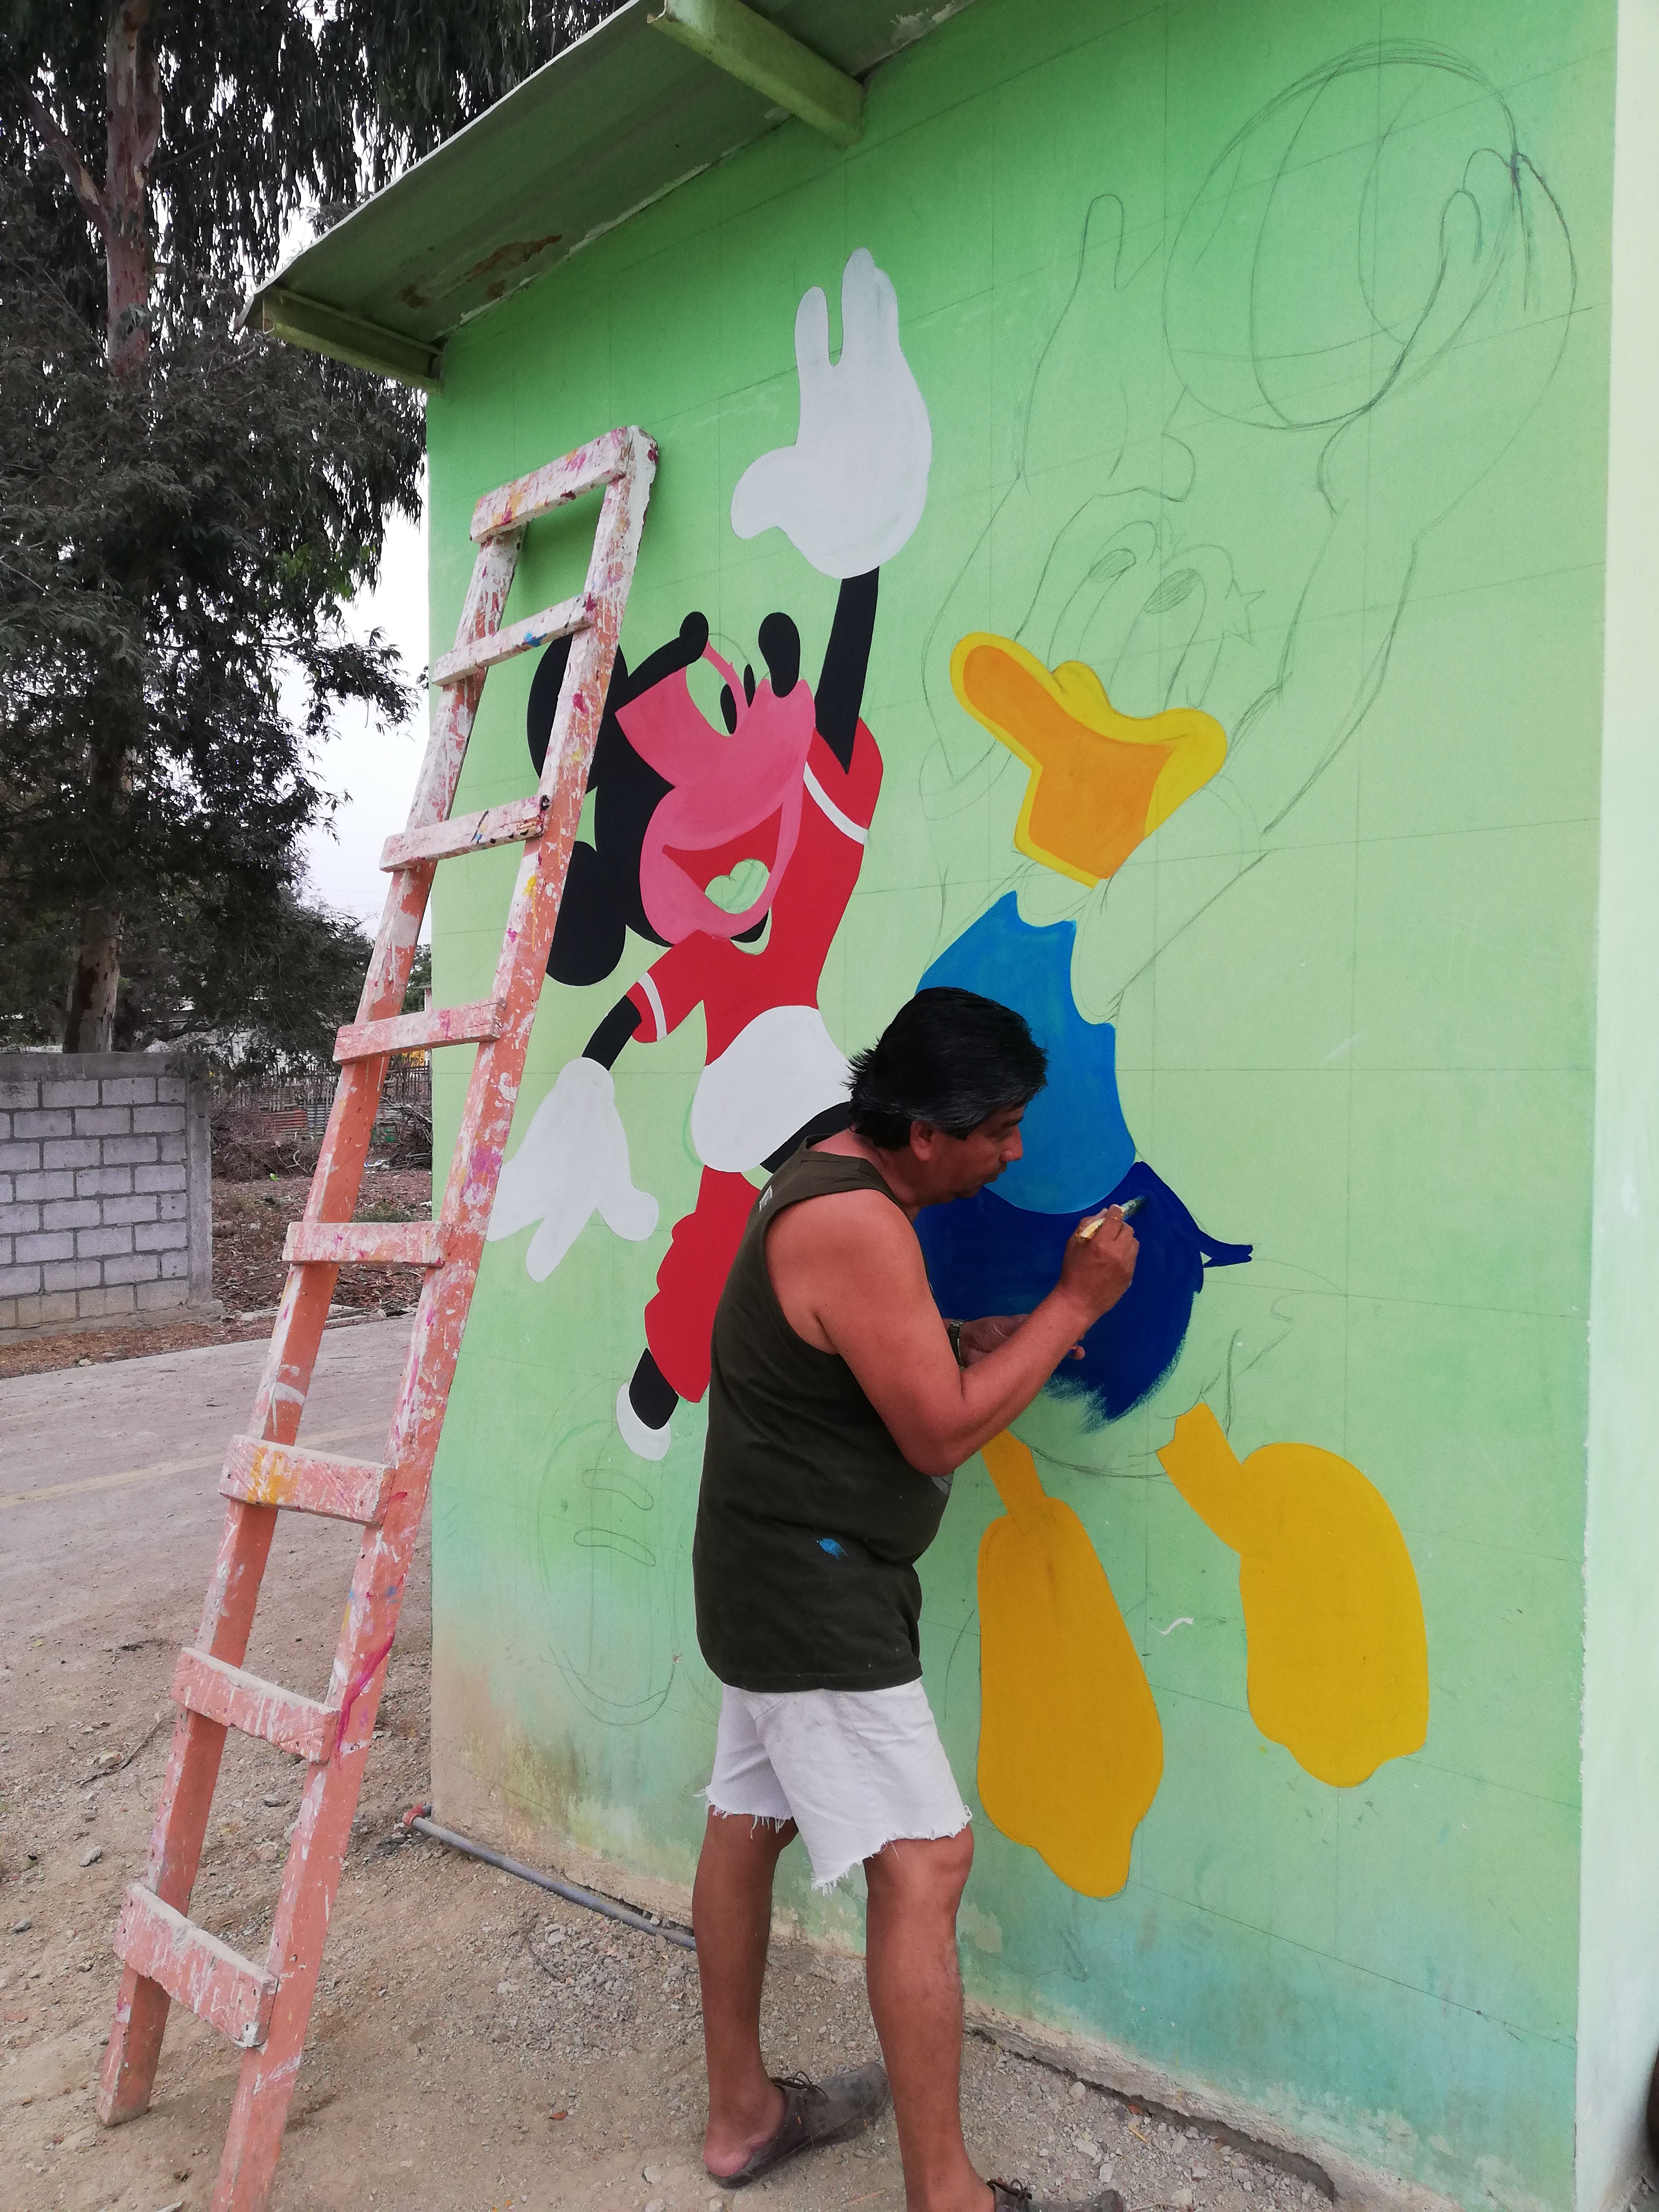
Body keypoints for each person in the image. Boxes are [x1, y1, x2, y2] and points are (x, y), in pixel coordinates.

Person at [689, 985, 1140, 2212]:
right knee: (930, 1863)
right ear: (928, 1135)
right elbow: (938, 1436)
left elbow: (844, 1340)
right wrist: (1072, 1305)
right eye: (1000, 1131)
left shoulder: (830, 1170)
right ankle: (951, 2198)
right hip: (813, 1593)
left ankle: (743, 2120)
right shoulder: (858, 1223)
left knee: (747, 1819)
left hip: (763, 1572)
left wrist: (950, 1334)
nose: (1016, 1153)